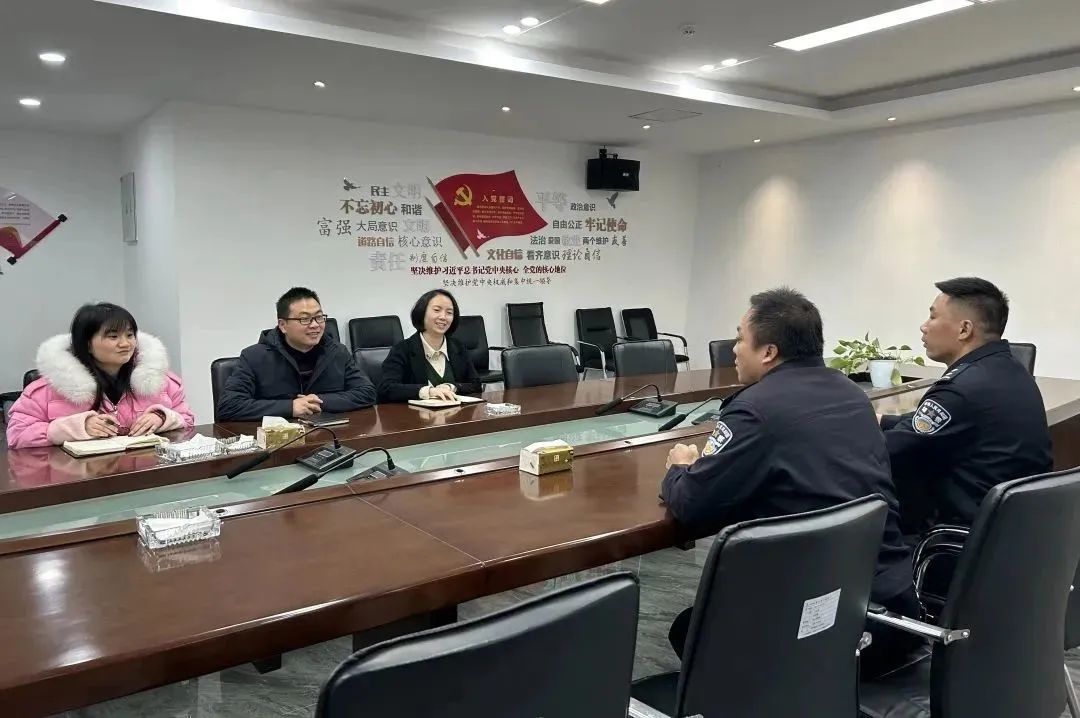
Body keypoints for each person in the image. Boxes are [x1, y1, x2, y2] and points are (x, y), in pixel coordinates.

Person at [660, 288, 918, 678]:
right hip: (890, 608)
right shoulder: (851, 394)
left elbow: (692, 506)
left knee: (690, 628)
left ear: (768, 352)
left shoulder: (756, 408)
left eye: (740, 338)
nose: (734, 349)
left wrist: (679, 468)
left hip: (822, 626)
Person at [881, 277, 1052, 531]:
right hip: (1017, 533)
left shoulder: (960, 388)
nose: (923, 326)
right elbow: (935, 424)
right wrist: (882, 421)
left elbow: (889, 449)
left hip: (963, 539)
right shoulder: (1012, 371)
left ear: (964, 329)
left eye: (933, 316)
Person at [6, 303, 194, 449]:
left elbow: (187, 418)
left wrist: (162, 417)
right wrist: (76, 428)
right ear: (87, 344)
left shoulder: (162, 381)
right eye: (113, 337)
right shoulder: (48, 389)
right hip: (79, 479)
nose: (125, 344)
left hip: (147, 474)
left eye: (130, 335)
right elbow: (17, 434)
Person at [216, 287, 376, 421]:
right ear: (283, 325)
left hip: (330, 436)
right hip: (278, 442)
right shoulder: (254, 357)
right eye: (304, 319)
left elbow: (367, 393)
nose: (315, 325)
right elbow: (229, 406)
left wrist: (318, 402)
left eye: (319, 317)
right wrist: (289, 407)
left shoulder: (337, 352)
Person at [378, 289, 482, 403]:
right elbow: (386, 388)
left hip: (456, 413)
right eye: (437, 310)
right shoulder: (402, 349)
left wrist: (452, 387)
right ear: (422, 313)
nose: (443, 317)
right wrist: (428, 391)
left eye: (449, 312)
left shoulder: (458, 348)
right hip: (414, 413)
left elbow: (476, 384)